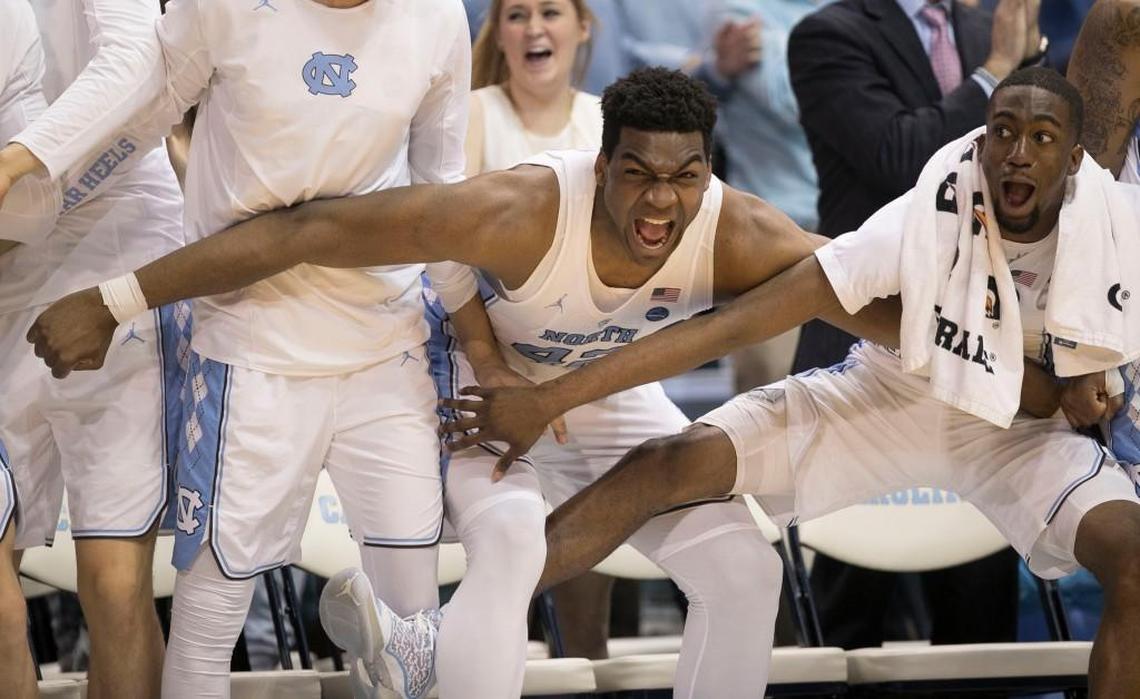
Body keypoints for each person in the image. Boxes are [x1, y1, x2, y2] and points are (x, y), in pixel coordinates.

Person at [24, 67, 896, 698]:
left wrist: (1014, 369)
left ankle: (414, 642)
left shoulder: (736, 229)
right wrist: (116, 298)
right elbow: (306, 232)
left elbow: (867, 297)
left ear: (709, 174)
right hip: (485, 389)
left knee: (746, 569)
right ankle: (420, 643)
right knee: (513, 541)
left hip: (604, 397)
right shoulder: (516, 212)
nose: (659, 203)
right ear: (601, 169)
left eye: (683, 178)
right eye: (636, 175)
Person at [438, 69, 1140, 698]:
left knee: (1135, 563)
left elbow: (1069, 387)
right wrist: (556, 397)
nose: (1018, 152)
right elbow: (732, 326)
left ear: (1073, 159)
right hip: (893, 397)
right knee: (665, 462)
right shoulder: (922, 217)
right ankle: (445, 628)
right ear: (981, 142)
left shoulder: (1117, 231)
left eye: (1042, 138)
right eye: (1003, 132)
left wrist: (1094, 380)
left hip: (1016, 440)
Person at [2, 0, 473, 696]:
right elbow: (146, 103)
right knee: (203, 631)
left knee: (414, 635)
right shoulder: (221, 6)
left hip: (382, 347)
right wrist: (34, 200)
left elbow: (439, 194)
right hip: (245, 348)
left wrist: (488, 353)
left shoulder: (437, 16)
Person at [787, 0, 1047, 649]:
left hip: (978, 352)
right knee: (850, 615)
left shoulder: (990, 25)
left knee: (980, 623)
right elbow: (899, 156)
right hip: (862, 340)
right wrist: (993, 76)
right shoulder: (828, 33)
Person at [0, 1, 185, 697]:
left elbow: (134, 61)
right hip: (6, 255)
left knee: (112, 584)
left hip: (117, 225)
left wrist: (15, 165)